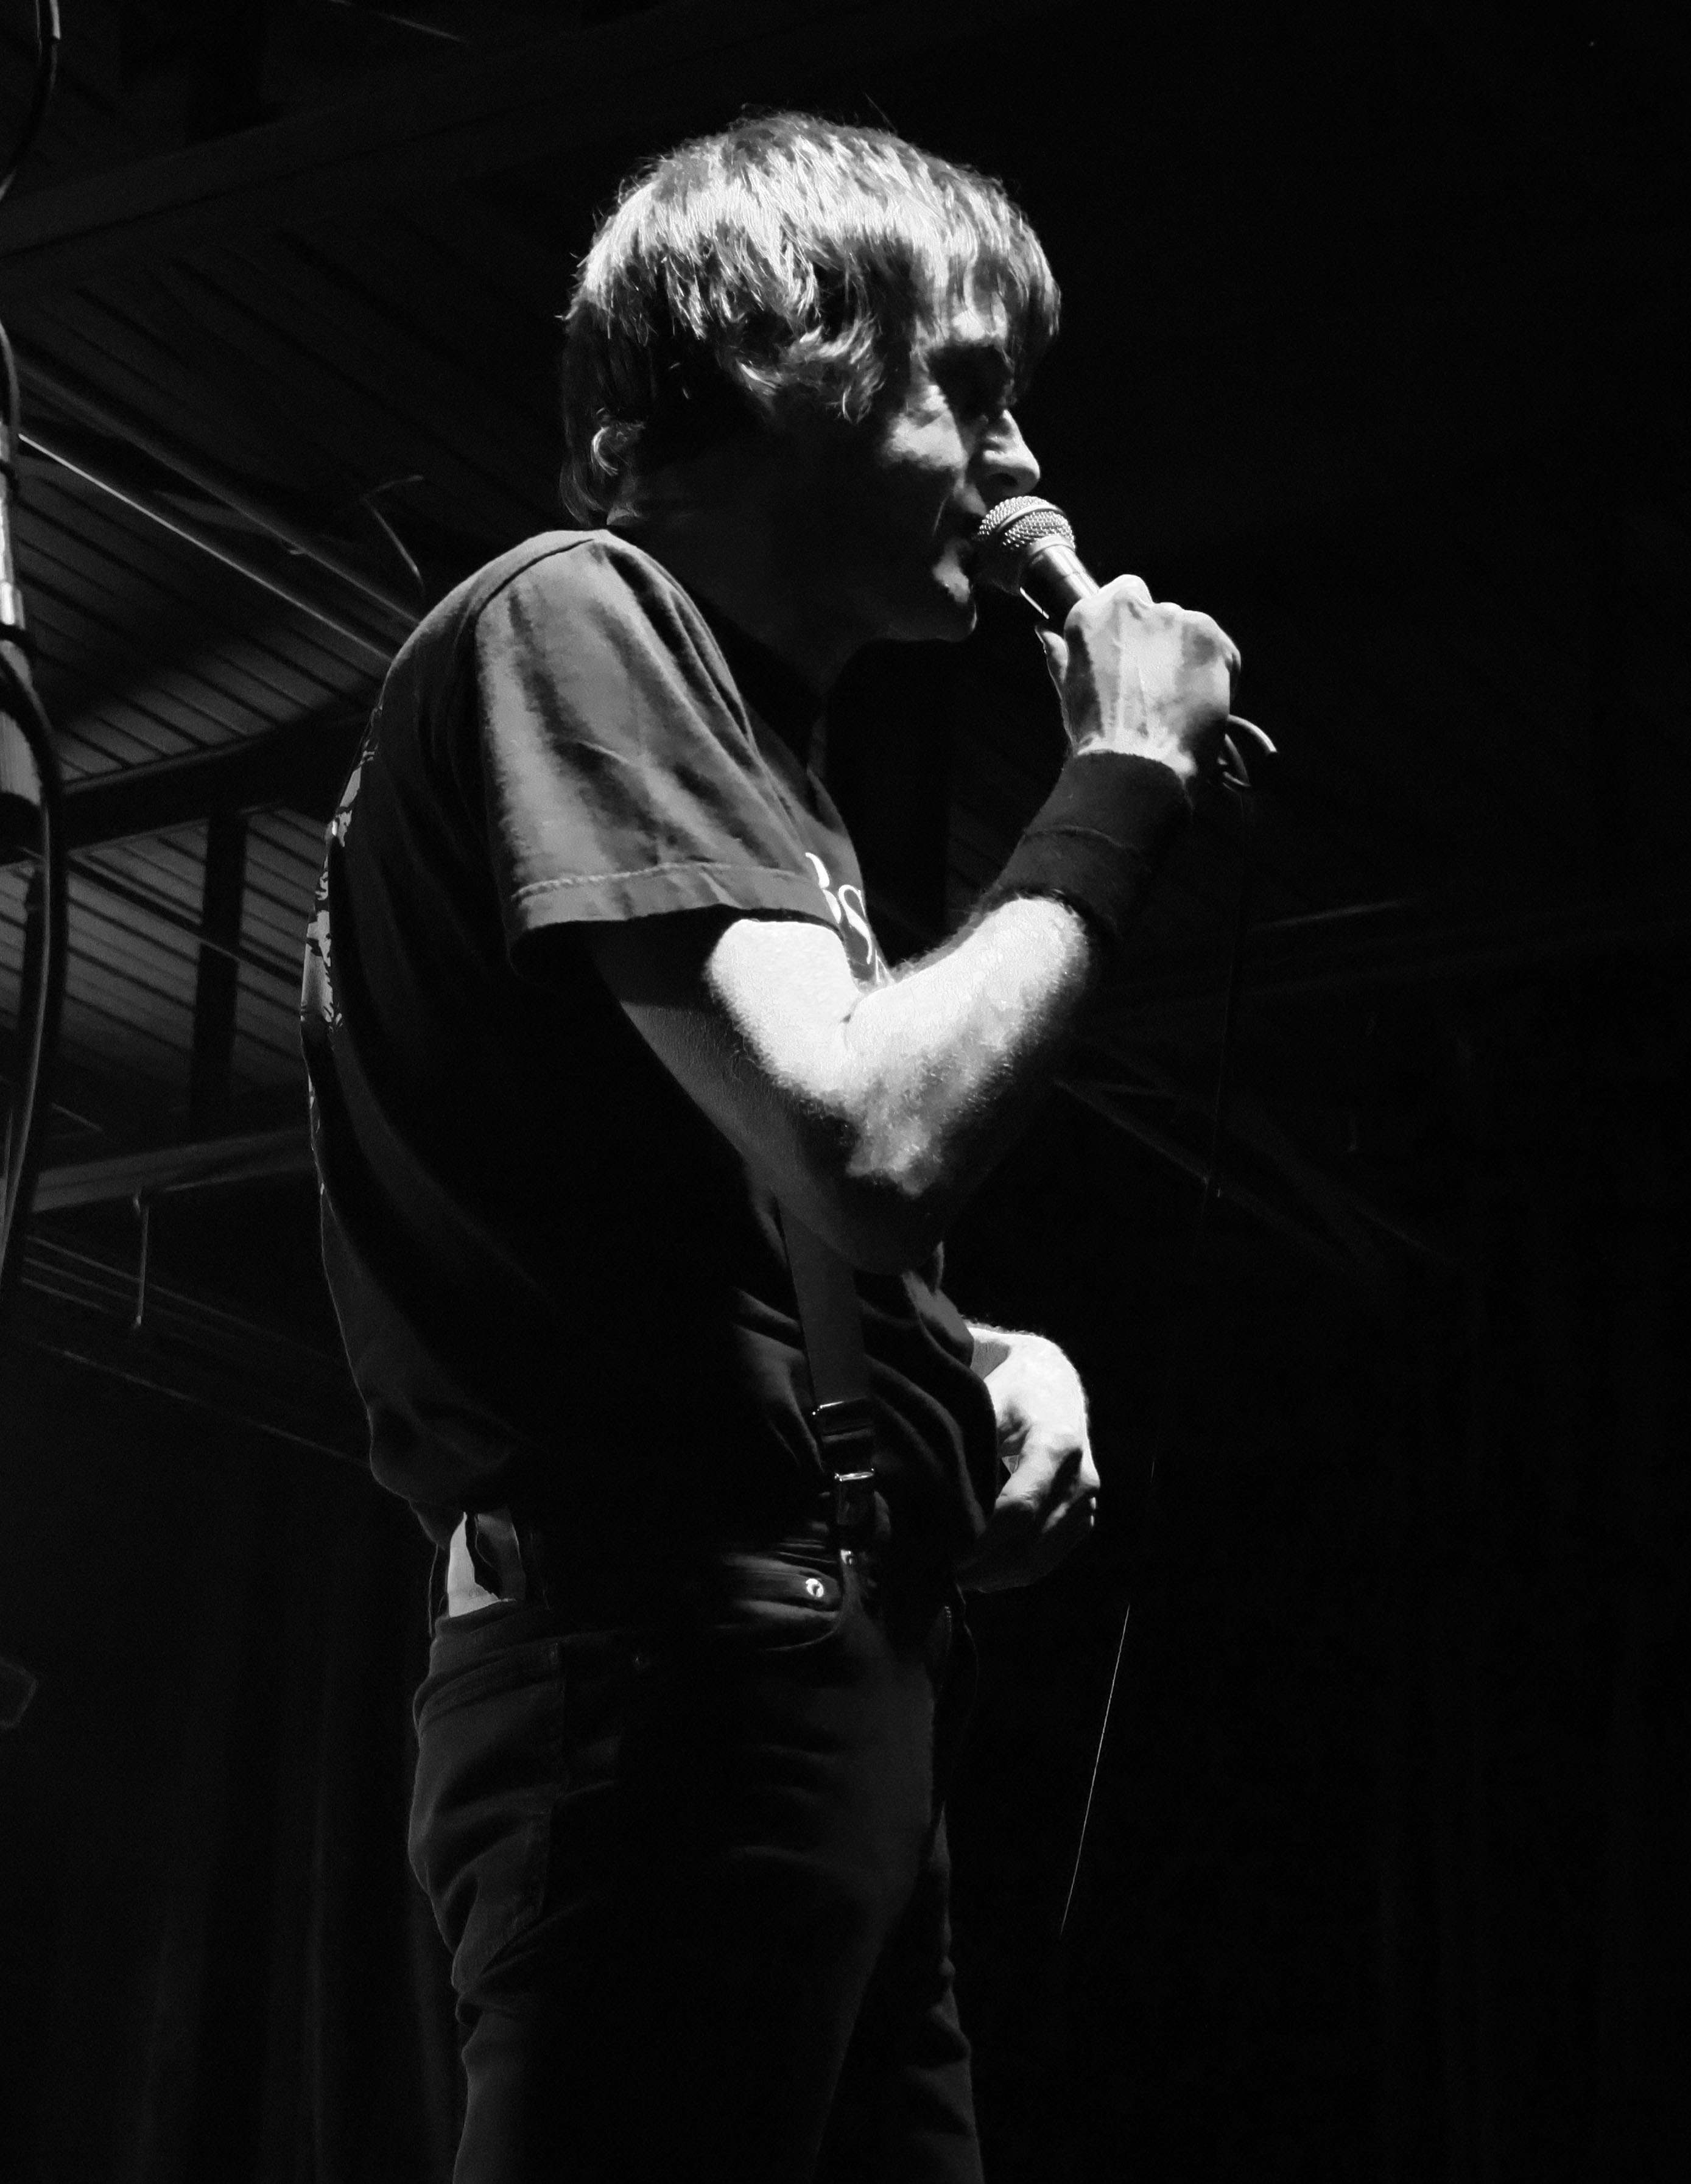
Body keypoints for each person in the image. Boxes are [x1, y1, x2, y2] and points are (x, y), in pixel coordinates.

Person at [301, 112, 1236, 2184]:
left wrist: (967, 1366)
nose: (1020, 469)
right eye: (967, 389)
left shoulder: (758, 771)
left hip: (791, 1685)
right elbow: (867, 1133)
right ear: (789, 354)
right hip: (666, 1688)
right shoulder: (578, 617)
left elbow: (742, 1223)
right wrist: (1115, 779)